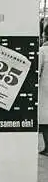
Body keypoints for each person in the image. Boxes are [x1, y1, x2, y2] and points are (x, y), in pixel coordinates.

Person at [39, 25, 48, 156]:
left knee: (46, 122)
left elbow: (36, 72)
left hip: (45, 90)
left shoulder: (43, 51)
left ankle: (47, 148)